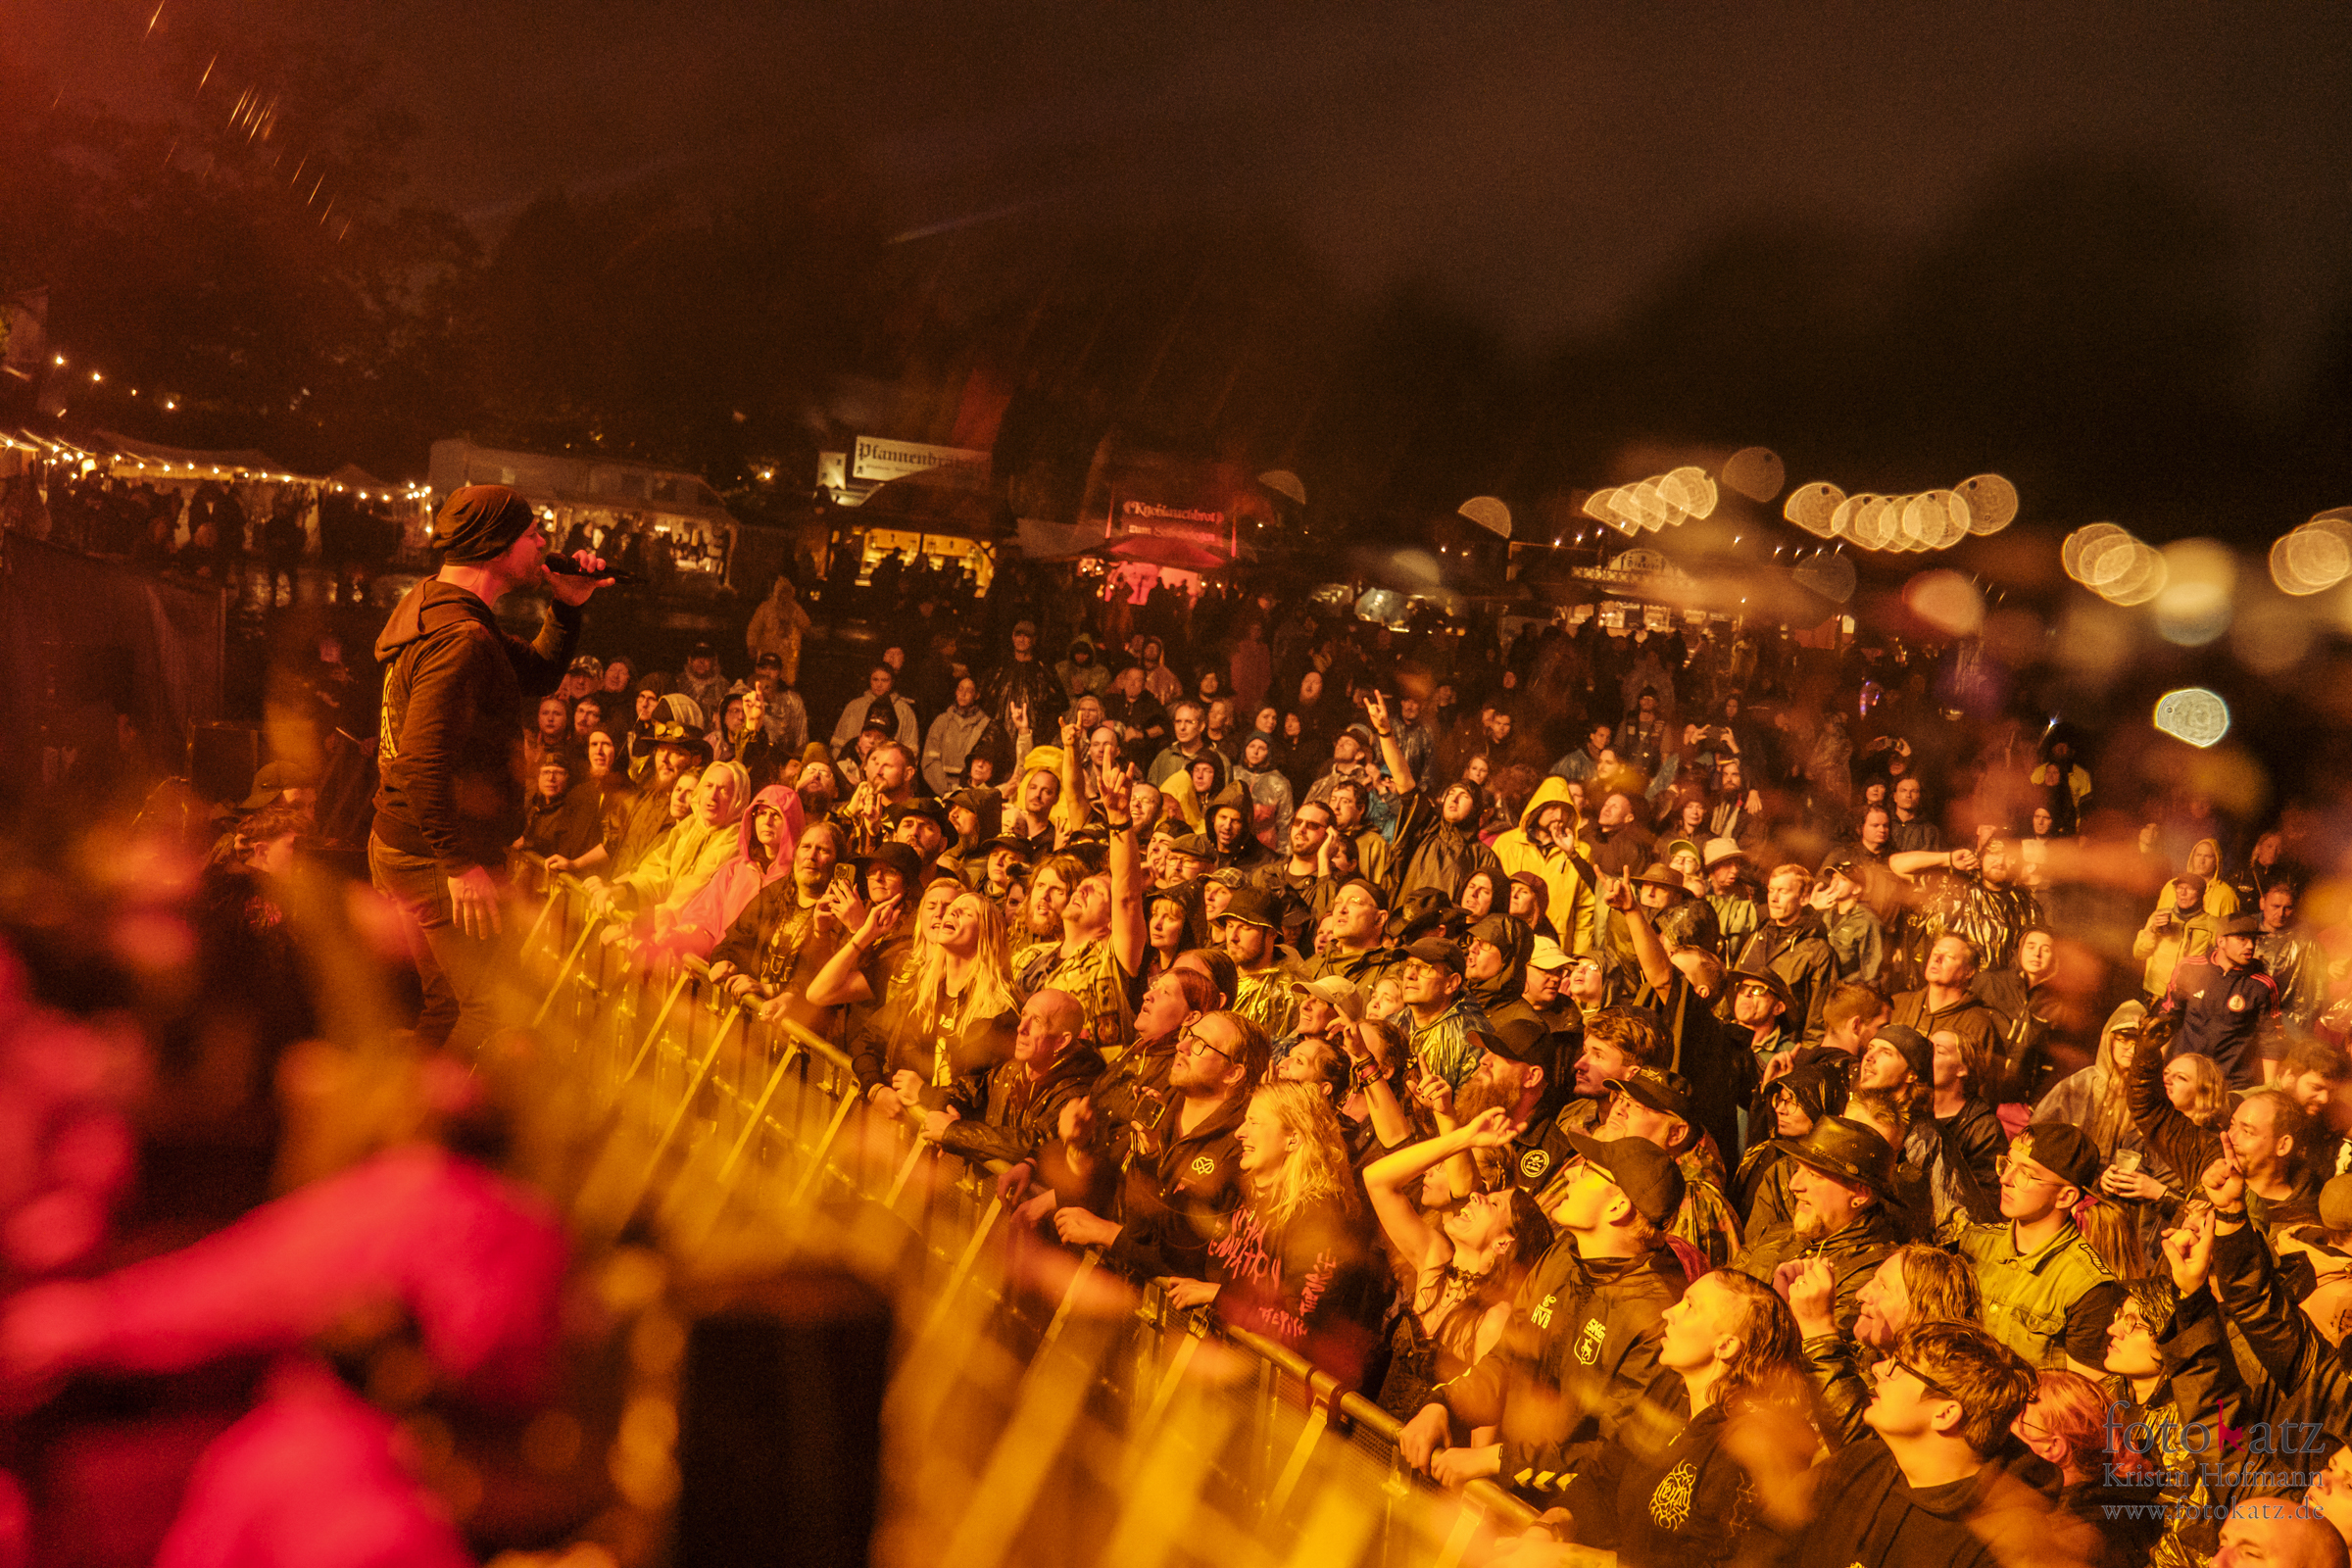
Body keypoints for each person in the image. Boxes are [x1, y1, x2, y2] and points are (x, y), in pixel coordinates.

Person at [370, 484, 610, 1051]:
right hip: (436, 856)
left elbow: (537, 673)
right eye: (532, 534)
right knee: (491, 1010)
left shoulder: (438, 606)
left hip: (406, 843)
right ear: (496, 544)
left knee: (450, 1006)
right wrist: (459, 863)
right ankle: (433, 1107)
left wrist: (567, 604)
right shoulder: (461, 638)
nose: (544, 543)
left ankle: (407, 1101)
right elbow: (421, 760)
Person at [1397, 1131, 1688, 1497]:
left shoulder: (1655, 1315)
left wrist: (1496, 1460)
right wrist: (1442, 1405)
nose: (1570, 1173)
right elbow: (1507, 1358)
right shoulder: (1564, 1252)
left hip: (1553, 1517)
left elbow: (1615, 1455)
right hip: (1500, 1491)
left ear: (1618, 1207)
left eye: (1588, 1170)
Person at [1164, 1082, 1380, 1381]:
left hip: (1268, 1387)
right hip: (1216, 1364)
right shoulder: (1241, 1187)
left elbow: (1300, 1328)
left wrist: (1218, 1296)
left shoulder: (1319, 1220)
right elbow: (1171, 1245)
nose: (1240, 1132)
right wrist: (1147, 1157)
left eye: (1254, 1122)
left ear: (1293, 1139)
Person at [1360, 1109, 1547, 1419]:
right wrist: (1464, 1138)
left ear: (1504, 1243)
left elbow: (1483, 1422)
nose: (1476, 1198)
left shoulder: (1493, 1320)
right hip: (1363, 1432)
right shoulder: (1433, 1263)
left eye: (1494, 1203)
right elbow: (1377, 1180)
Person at [1952, 1123, 2123, 1370]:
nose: (2005, 1179)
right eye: (2007, 1163)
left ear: (2065, 1196)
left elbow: (2082, 1389)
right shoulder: (1971, 1244)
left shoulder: (2088, 1286)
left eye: (2025, 1174)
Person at [2163, 911, 2279, 1088]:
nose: (2250, 945)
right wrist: (2156, 1067)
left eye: (2253, 939)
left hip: (2230, 1083)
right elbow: (2168, 1018)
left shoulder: (2262, 985)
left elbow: (2270, 1041)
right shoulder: (2190, 968)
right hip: (2184, 1077)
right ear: (2221, 941)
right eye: (2242, 939)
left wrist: (2270, 1087)